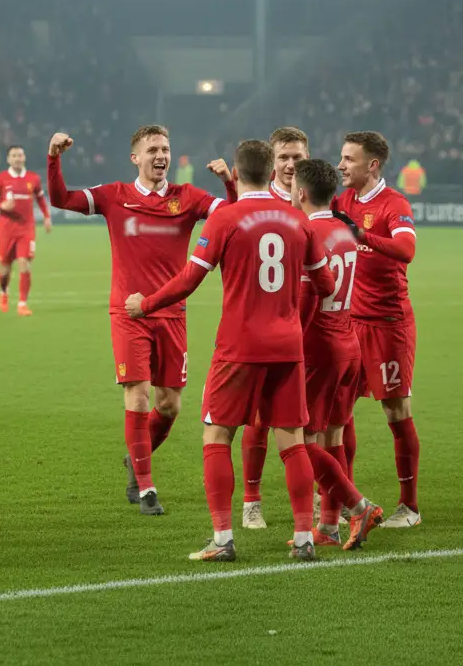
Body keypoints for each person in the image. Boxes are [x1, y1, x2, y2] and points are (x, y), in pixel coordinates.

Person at [124, 139, 335, 561]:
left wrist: (144, 305)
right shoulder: (299, 222)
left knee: (217, 435)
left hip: (239, 345)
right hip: (288, 346)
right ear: (272, 173)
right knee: (292, 440)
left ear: (236, 177)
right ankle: (304, 538)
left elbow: (188, 279)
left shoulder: (226, 220)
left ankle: (222, 540)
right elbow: (326, 285)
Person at [46, 126, 235, 516]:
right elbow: (60, 198)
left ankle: (136, 457)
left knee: (169, 406)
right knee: (138, 395)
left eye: (165, 148)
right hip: (129, 311)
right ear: (136, 158)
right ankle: (146, 488)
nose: (160, 155)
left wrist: (229, 183)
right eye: (152, 149)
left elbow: (232, 217)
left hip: (171, 312)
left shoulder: (188, 198)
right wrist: (53, 158)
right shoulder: (115, 196)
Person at [292, 158, 385, 549]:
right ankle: (329, 526)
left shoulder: (306, 233)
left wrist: (289, 337)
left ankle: (358, 507)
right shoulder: (347, 231)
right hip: (350, 343)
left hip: (319, 348)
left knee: (300, 438)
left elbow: (307, 297)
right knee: (333, 435)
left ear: (300, 192)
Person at [333, 131, 422, 528]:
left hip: (388, 325)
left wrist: (363, 236)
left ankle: (410, 507)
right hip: (349, 324)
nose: (340, 165)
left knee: (395, 409)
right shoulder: (343, 201)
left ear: (372, 165)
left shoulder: (394, 204)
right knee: (338, 410)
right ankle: (344, 499)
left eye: (348, 159)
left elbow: (406, 250)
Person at [242, 126, 313, 528]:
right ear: (271, 160)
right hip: (264, 327)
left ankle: (322, 501)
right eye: (284, 157)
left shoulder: (316, 201)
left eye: (297, 158)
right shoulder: (255, 200)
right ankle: (252, 499)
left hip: (309, 329)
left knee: (315, 422)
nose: (290, 165)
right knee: (258, 419)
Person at [0, 145, 52, 316]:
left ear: (24, 157)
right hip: (6, 229)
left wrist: (46, 216)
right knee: (5, 269)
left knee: (24, 264)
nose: (17, 158)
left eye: (20, 155)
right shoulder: (0, 178)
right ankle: (3, 292)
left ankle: (22, 304)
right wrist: (2, 205)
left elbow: (41, 199)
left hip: (26, 228)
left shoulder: (33, 178)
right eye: (13, 155)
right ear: (8, 159)